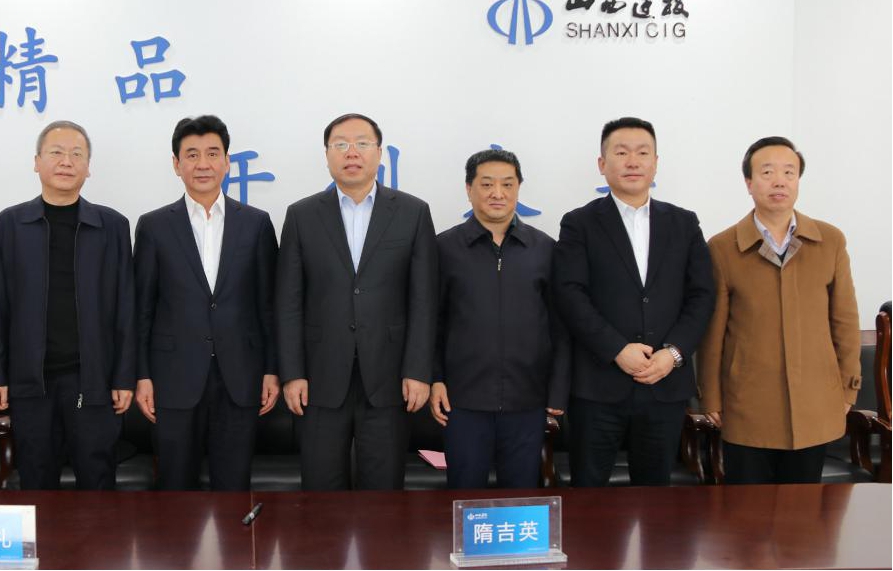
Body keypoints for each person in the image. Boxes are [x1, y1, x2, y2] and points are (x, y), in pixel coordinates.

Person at [276, 113, 438, 490]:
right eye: (341, 144)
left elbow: (424, 299)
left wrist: (418, 370)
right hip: (319, 378)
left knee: (384, 492)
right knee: (320, 491)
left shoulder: (413, 213)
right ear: (327, 155)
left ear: (379, 153)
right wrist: (292, 373)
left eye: (362, 143)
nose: (352, 153)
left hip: (390, 376)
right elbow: (288, 302)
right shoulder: (301, 215)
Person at [553, 116, 715, 487]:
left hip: (665, 384)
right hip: (598, 386)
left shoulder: (684, 223)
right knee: (589, 497)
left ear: (655, 163)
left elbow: (702, 295)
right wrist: (616, 349)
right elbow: (570, 294)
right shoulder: (579, 223)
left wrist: (673, 354)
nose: (632, 161)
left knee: (655, 499)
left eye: (642, 153)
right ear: (602, 163)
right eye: (621, 152)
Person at [698, 136, 860, 484]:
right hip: (747, 404)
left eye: (789, 172)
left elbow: (845, 321)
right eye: (767, 172)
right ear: (749, 182)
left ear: (798, 180)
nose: (779, 181)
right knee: (747, 511)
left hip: (815, 403)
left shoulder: (830, 241)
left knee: (806, 512)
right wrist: (710, 396)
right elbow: (713, 332)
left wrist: (849, 388)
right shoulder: (723, 247)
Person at [0, 120, 134, 490]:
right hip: (30, 381)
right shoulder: (9, 225)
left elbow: (125, 308)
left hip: (93, 380)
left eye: (76, 154)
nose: (66, 161)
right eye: (56, 152)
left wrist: (123, 376)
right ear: (37, 162)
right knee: (36, 480)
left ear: (88, 167)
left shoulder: (112, 226)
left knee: (97, 480)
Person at [134, 115, 280, 490]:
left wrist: (271, 369)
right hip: (173, 377)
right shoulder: (153, 226)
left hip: (241, 375)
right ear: (176, 164)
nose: (203, 164)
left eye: (213, 154)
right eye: (192, 154)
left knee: (233, 489)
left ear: (227, 161)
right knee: (174, 487)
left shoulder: (256, 224)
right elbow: (143, 309)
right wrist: (142, 375)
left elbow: (268, 305)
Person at [429, 149, 570, 489]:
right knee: (464, 497)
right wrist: (435, 378)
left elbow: (561, 326)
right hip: (462, 399)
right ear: (469, 189)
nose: (498, 193)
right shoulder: (444, 248)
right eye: (487, 184)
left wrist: (557, 390)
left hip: (528, 398)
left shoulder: (544, 248)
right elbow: (430, 322)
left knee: (520, 498)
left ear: (518, 188)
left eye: (507, 184)